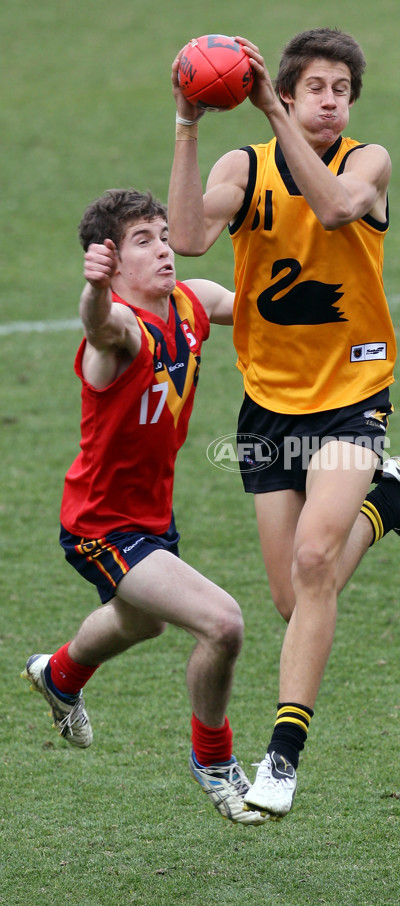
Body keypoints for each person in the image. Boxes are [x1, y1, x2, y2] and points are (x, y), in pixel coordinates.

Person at [168, 29, 400, 820]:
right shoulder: (243, 167)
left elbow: (332, 210)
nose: (331, 100)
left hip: (354, 390)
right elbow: (188, 236)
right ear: (289, 94)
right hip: (268, 402)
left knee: (316, 555)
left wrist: (266, 109)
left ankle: (282, 758)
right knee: (297, 601)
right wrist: (189, 124)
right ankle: (392, 503)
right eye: (315, 88)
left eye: (342, 89)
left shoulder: (369, 162)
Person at [20, 188, 268, 826]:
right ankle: (213, 760)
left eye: (163, 235)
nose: (163, 249)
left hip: (152, 516)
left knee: (141, 623)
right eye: (143, 241)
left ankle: (62, 676)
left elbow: (253, 309)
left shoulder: (189, 302)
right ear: (111, 260)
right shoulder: (120, 335)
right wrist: (96, 290)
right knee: (223, 624)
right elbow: (98, 325)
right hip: (102, 526)